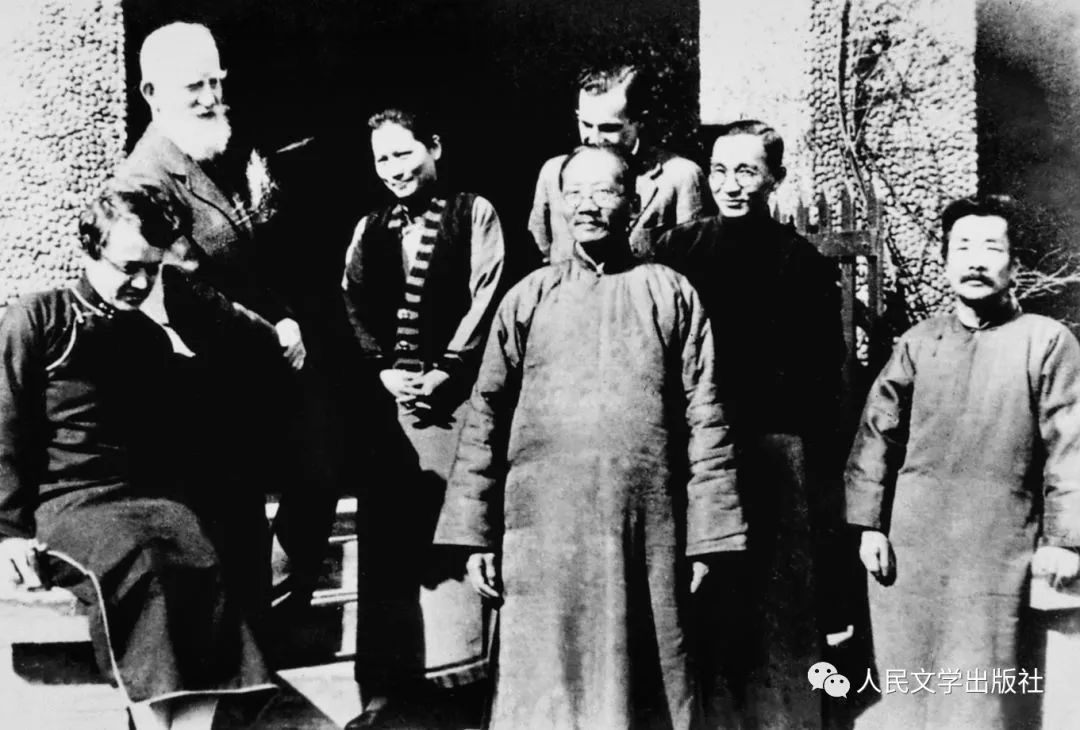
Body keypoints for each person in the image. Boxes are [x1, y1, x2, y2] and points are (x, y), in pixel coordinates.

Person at [435, 144, 746, 730]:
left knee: (646, 679)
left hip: (645, 531)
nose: (587, 205)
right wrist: (474, 534)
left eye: (604, 191)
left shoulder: (670, 293)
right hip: (542, 534)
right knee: (545, 685)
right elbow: (484, 418)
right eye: (574, 192)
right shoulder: (528, 297)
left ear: (632, 202)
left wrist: (709, 538)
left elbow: (707, 417)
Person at [0, 186, 278, 730]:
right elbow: (3, 426)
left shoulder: (148, 338)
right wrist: (7, 532)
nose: (141, 282)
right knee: (147, 561)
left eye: (152, 269)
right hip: (71, 505)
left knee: (202, 555)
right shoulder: (41, 318)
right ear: (89, 250)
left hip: (147, 502)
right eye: (129, 267)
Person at [114, 21, 341, 622]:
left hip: (253, 373)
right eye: (194, 86)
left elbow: (249, 266)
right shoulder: (146, 180)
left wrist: (286, 316)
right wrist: (275, 334)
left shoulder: (209, 156)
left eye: (216, 82)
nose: (211, 98)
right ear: (151, 93)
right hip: (204, 388)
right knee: (234, 538)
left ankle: (271, 605)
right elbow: (186, 290)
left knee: (320, 468)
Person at [845, 194, 1080, 729]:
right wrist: (869, 526)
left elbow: (1072, 446)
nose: (975, 261)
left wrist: (1065, 541)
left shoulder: (1046, 343)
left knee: (982, 696)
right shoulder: (917, 343)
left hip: (998, 552)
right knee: (907, 690)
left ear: (1015, 264)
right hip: (910, 553)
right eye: (963, 248)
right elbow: (877, 436)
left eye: (991, 248)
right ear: (946, 261)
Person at [655, 119, 845, 729]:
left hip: (770, 451)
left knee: (775, 606)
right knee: (702, 601)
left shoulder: (802, 263)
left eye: (746, 171)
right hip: (696, 449)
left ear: (775, 178)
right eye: (719, 170)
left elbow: (822, 376)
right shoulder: (677, 251)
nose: (730, 184)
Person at [341, 108, 505, 729]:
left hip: (456, 409)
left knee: (454, 535)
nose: (394, 169)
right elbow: (351, 301)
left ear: (433, 146)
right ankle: (390, 693)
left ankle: (461, 693)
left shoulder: (474, 213)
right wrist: (381, 370)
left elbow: (488, 294)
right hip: (393, 415)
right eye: (382, 159)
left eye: (404, 153)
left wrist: (448, 369)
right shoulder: (369, 228)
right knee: (390, 545)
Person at [527, 61, 711, 263]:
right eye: (586, 124)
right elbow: (541, 250)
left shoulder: (680, 177)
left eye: (608, 128)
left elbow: (694, 259)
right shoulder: (553, 173)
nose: (594, 138)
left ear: (640, 121)